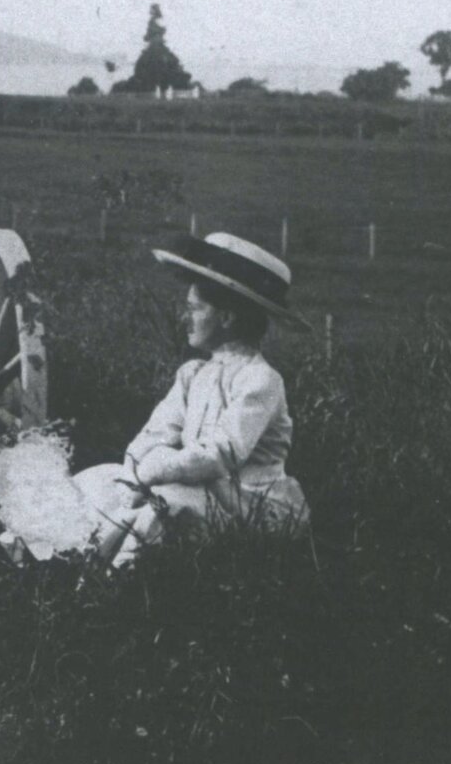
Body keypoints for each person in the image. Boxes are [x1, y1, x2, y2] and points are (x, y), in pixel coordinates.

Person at [72, 231, 309, 566]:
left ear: (226, 317)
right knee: (97, 481)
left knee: (166, 504)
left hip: (244, 502)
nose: (185, 318)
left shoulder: (261, 380)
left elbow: (219, 454)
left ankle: (115, 579)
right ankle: (61, 559)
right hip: (194, 485)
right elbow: (158, 431)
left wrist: (155, 471)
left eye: (194, 309)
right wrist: (134, 472)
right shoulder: (193, 374)